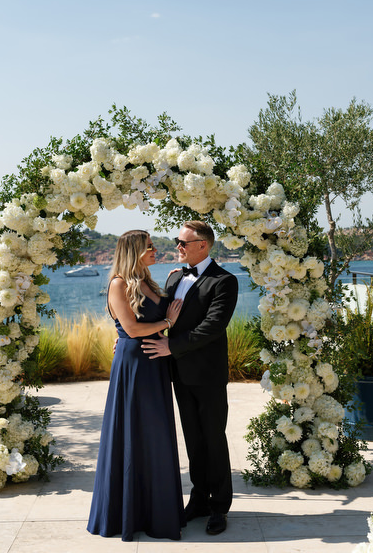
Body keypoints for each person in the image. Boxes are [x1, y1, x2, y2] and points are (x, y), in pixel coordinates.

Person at [87, 230, 186, 542]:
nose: (155, 250)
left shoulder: (149, 282)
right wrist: (166, 324)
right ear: (133, 252)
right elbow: (130, 327)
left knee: (155, 434)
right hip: (135, 365)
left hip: (156, 364)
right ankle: (128, 514)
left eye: (153, 246)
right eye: (149, 247)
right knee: (132, 435)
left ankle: (157, 511)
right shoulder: (118, 283)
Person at [142, 221, 238, 536]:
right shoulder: (174, 277)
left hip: (208, 375)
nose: (178, 247)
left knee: (213, 439)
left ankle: (219, 507)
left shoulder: (225, 281)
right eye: (178, 241)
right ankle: (198, 499)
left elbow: (213, 326)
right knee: (193, 441)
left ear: (203, 245)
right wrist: (128, 337)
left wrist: (171, 345)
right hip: (179, 375)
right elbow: (157, 316)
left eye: (183, 242)